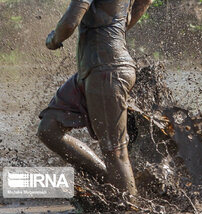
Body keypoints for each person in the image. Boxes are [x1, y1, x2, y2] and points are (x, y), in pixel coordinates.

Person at [37, 0, 153, 196]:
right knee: (49, 128)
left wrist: (54, 40)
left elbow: (69, 24)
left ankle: (127, 211)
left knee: (115, 150)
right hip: (93, 69)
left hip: (106, 70)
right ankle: (109, 182)